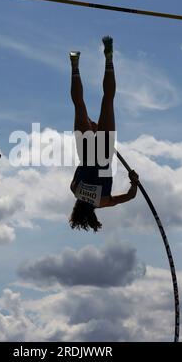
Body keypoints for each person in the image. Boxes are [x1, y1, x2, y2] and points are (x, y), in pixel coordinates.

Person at [69, 36, 139, 232]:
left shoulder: (103, 202)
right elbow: (82, 168)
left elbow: (130, 196)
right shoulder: (74, 190)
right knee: (79, 105)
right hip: (86, 149)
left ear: (92, 214)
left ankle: (109, 58)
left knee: (108, 100)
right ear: (76, 209)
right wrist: (92, 129)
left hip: (105, 150)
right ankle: (74, 64)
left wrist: (134, 181)